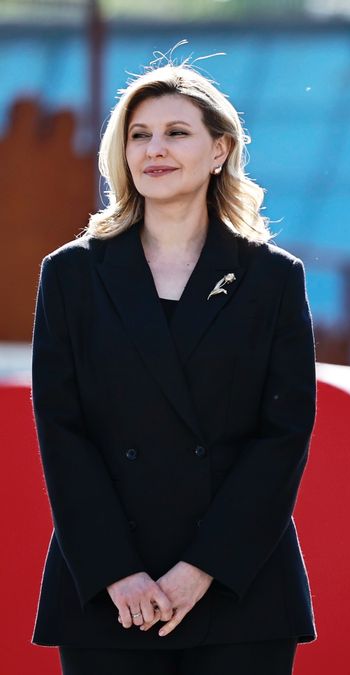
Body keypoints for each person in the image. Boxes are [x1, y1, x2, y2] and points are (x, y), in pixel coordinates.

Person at [31, 63, 316, 674]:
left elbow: (283, 436)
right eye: (139, 134)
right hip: (108, 589)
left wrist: (202, 569)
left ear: (220, 150)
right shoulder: (71, 276)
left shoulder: (273, 278)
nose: (154, 149)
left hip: (239, 588)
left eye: (176, 133)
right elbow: (62, 433)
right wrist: (118, 573)